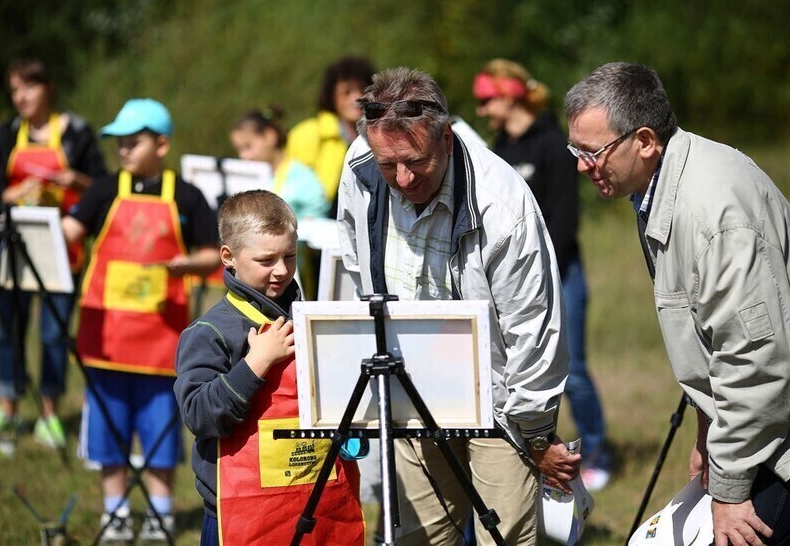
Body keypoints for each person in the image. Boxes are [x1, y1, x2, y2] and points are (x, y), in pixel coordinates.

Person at [337, 66, 581, 545]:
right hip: (411, 389)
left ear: (446, 138)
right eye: (390, 165)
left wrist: (534, 433)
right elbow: (355, 261)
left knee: (505, 536)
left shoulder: (501, 207)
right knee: (418, 538)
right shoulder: (362, 168)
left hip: (498, 401)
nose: (403, 178)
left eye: (416, 162)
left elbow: (533, 329)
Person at [565, 62, 790, 545]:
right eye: (575, 150)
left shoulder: (712, 213)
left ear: (644, 141)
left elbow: (756, 361)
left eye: (592, 152)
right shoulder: (657, 184)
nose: (582, 166)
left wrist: (729, 492)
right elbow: (712, 337)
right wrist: (706, 429)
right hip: (759, 429)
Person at [61, 98, 220, 543]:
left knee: (159, 429)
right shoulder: (103, 190)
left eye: (134, 141)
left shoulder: (187, 196)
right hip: (106, 336)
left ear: (162, 144)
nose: (124, 150)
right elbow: (68, 235)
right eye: (120, 143)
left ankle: (159, 512)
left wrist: (186, 265)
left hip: (160, 340)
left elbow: (212, 253)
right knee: (109, 429)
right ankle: (115, 512)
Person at [174, 189, 364, 546]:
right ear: (228, 257)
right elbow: (199, 414)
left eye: (290, 256)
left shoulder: (310, 319)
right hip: (239, 514)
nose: (281, 270)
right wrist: (256, 362)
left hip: (316, 501)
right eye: (265, 260)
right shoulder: (211, 332)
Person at [473, 58, 611, 491]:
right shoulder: (498, 150)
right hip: (513, 279)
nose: (481, 110)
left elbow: (566, 223)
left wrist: (538, 266)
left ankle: (596, 453)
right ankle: (531, 450)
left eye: (485, 99)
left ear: (510, 95)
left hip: (562, 273)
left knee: (575, 371)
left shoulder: (554, 144)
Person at [0, 58, 107, 455]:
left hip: (63, 249)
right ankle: (7, 407)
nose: (20, 97)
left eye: (28, 87)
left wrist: (77, 181)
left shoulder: (76, 133)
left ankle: (49, 414)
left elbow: (103, 189)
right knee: (10, 330)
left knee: (54, 333)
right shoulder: (6, 134)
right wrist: (16, 193)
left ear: (47, 89)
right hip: (13, 248)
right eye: (14, 89)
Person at [231, 108, 328, 295]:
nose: (244, 156)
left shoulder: (302, 177)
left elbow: (317, 225)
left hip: (294, 279)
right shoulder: (252, 178)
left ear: (270, 136)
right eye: (239, 150)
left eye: (248, 146)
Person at [286, 55, 375, 216]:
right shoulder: (307, 133)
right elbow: (289, 190)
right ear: (331, 96)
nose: (356, 98)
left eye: (361, 89)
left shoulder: (380, 134)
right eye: (346, 92)